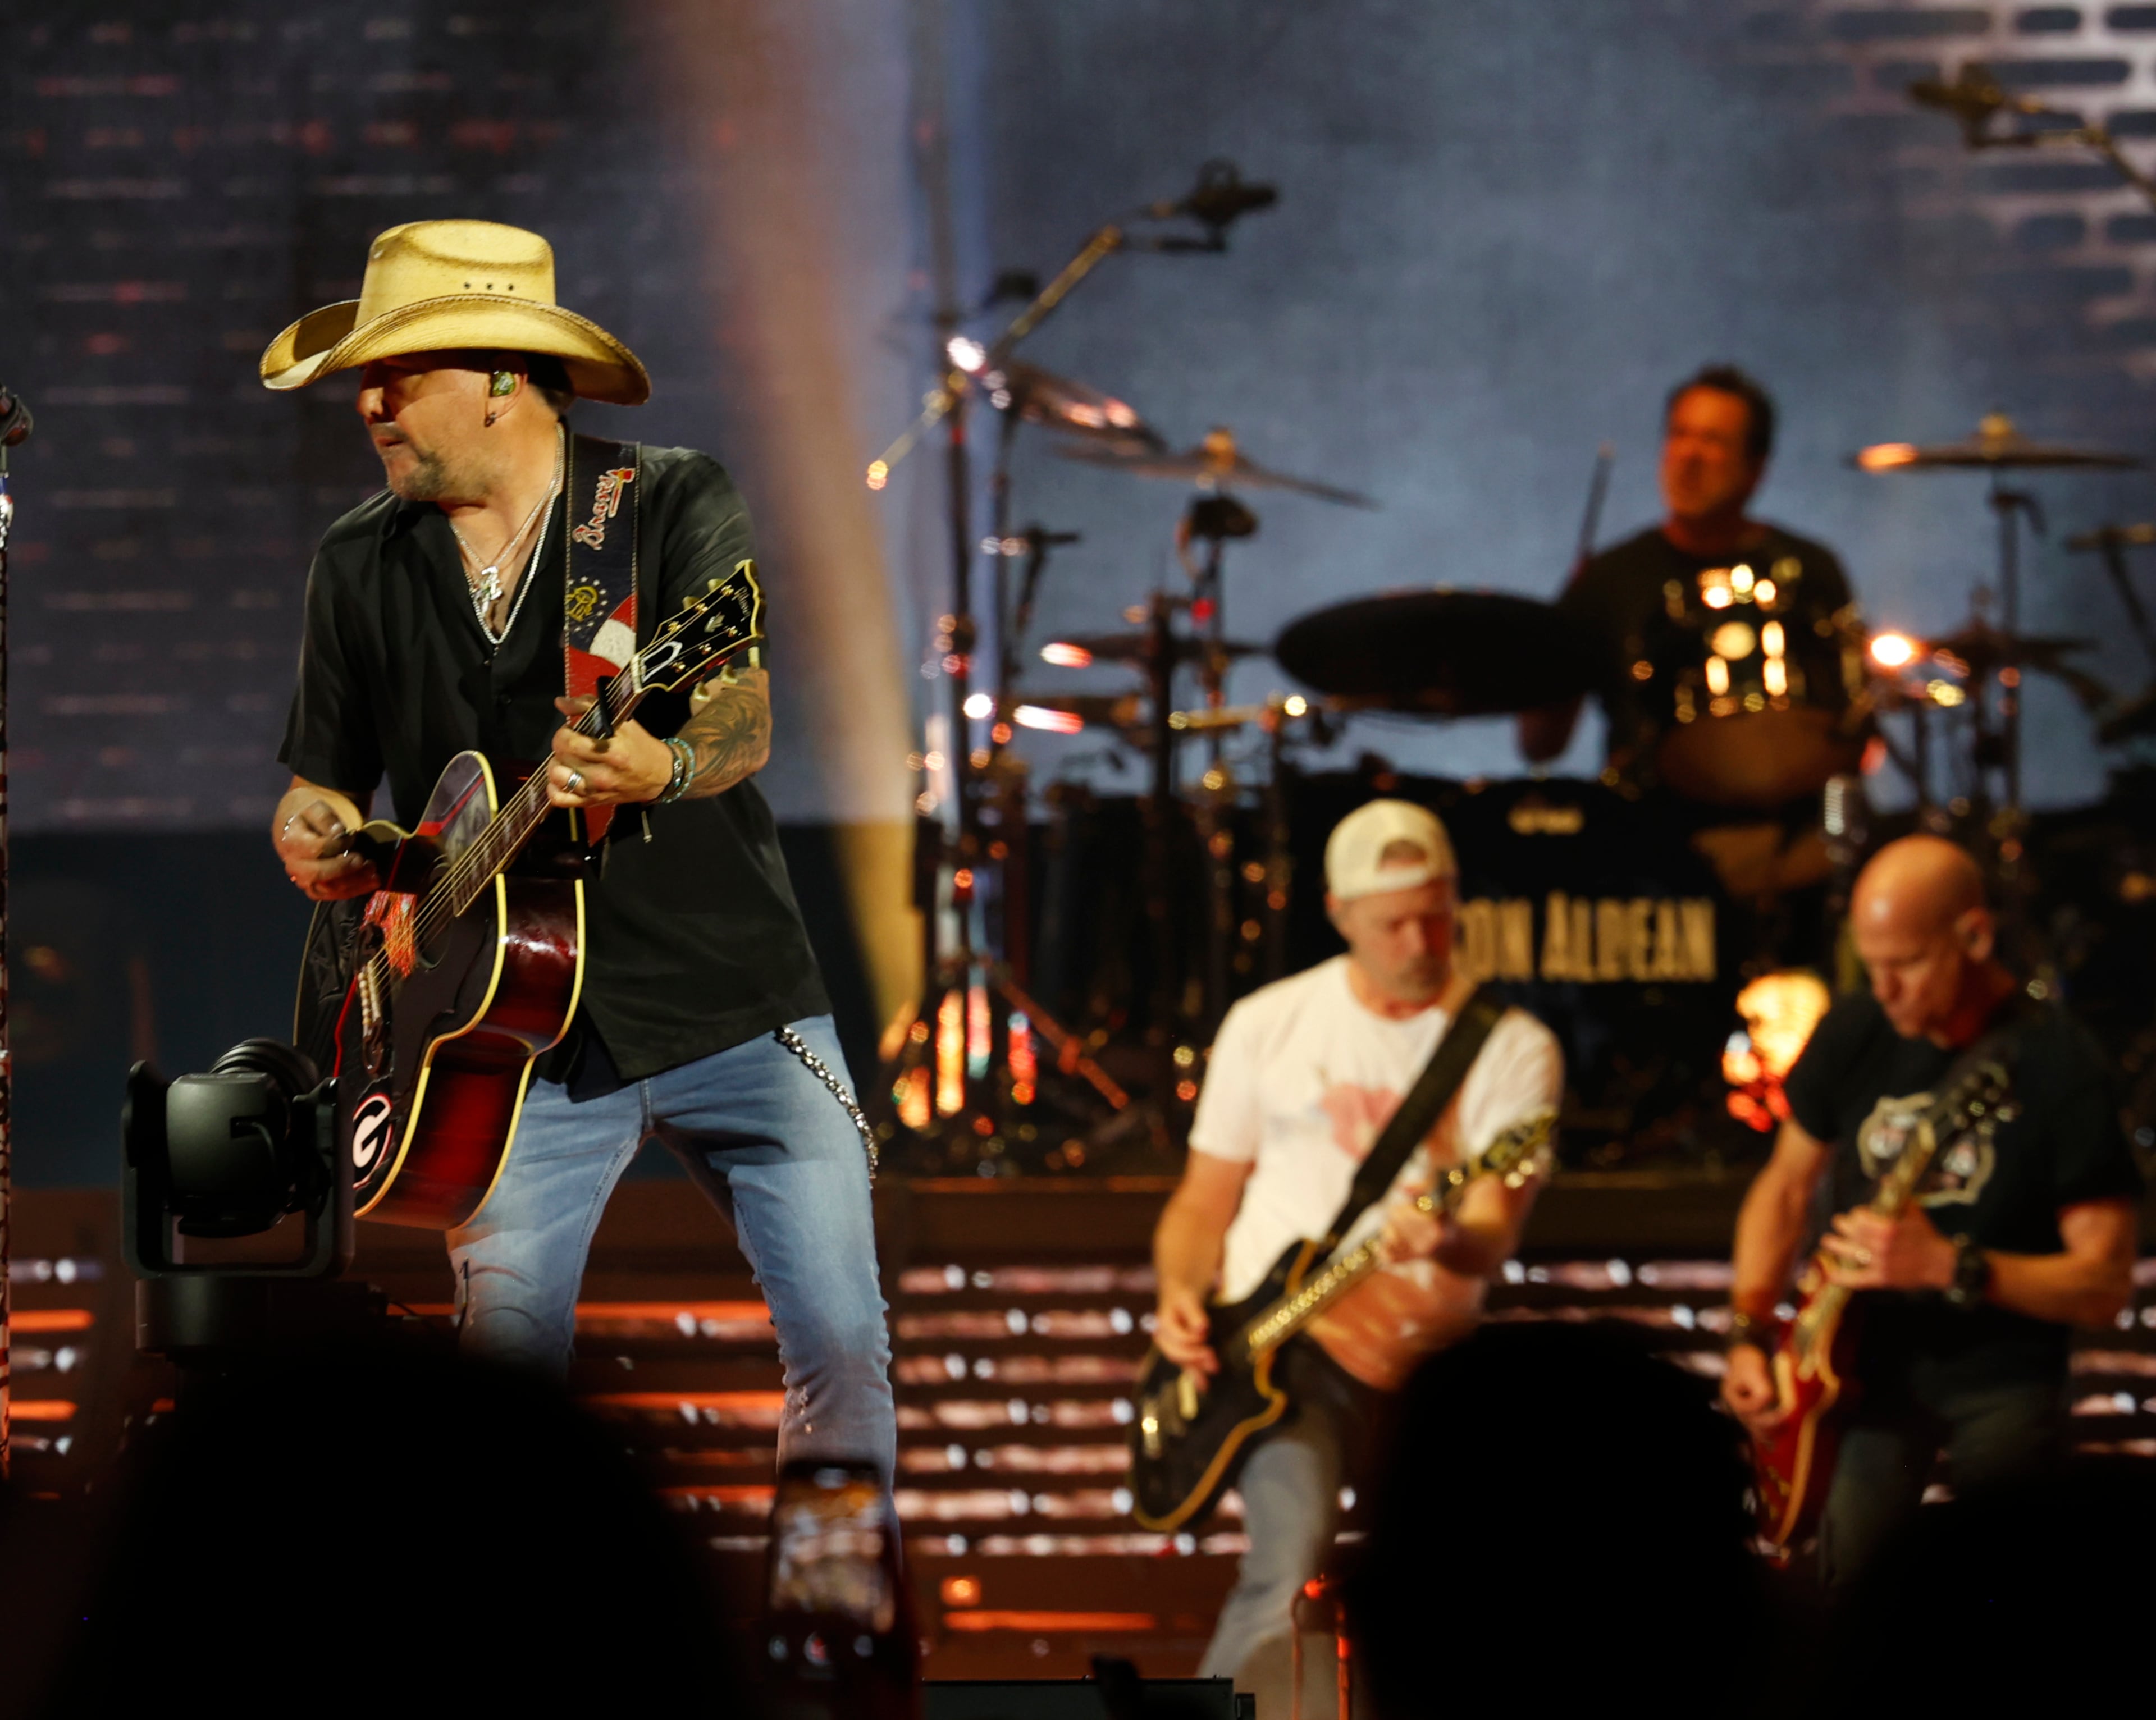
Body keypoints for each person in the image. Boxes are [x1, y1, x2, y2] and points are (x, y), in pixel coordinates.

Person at [264, 219, 894, 1477]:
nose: (371, 403)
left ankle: (834, 1639)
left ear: (504, 373)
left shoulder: (660, 501)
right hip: (500, 1044)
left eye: (402, 372)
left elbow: (738, 706)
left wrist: (662, 762)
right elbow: (321, 785)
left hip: (730, 994)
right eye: (362, 381)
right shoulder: (357, 561)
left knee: (840, 1342)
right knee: (502, 1379)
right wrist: (314, 833)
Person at [1152, 799, 1563, 1709]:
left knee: (1441, 1593)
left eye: (1438, 912)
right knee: (1288, 1558)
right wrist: (1181, 1289)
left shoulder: (1510, 1045)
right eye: (1394, 921)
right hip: (1281, 1349)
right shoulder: (1270, 1022)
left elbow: (1493, 1231)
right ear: (1340, 914)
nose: (1420, 938)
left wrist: (1448, 1237)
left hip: (1423, 1360)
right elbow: (1202, 1199)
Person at [1721, 835, 2141, 1586]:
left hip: (2004, 1380)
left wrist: (1952, 1266)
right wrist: (1751, 1332)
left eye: (1907, 964)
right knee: (1842, 1591)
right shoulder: (1855, 1029)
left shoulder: (2057, 1063)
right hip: (1860, 1373)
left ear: (1974, 936)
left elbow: (2105, 1285)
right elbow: (1784, 1188)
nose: (1885, 990)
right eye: (1870, 963)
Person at [1520, 364, 1863, 899]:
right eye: (1679, 435)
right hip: (1649, 859)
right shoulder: (1608, 581)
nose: (1689, 456)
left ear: (1756, 469)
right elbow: (1540, 745)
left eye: (1713, 441)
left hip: (1796, 849)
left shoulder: (1810, 570)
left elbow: (1853, 725)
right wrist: (1546, 654)